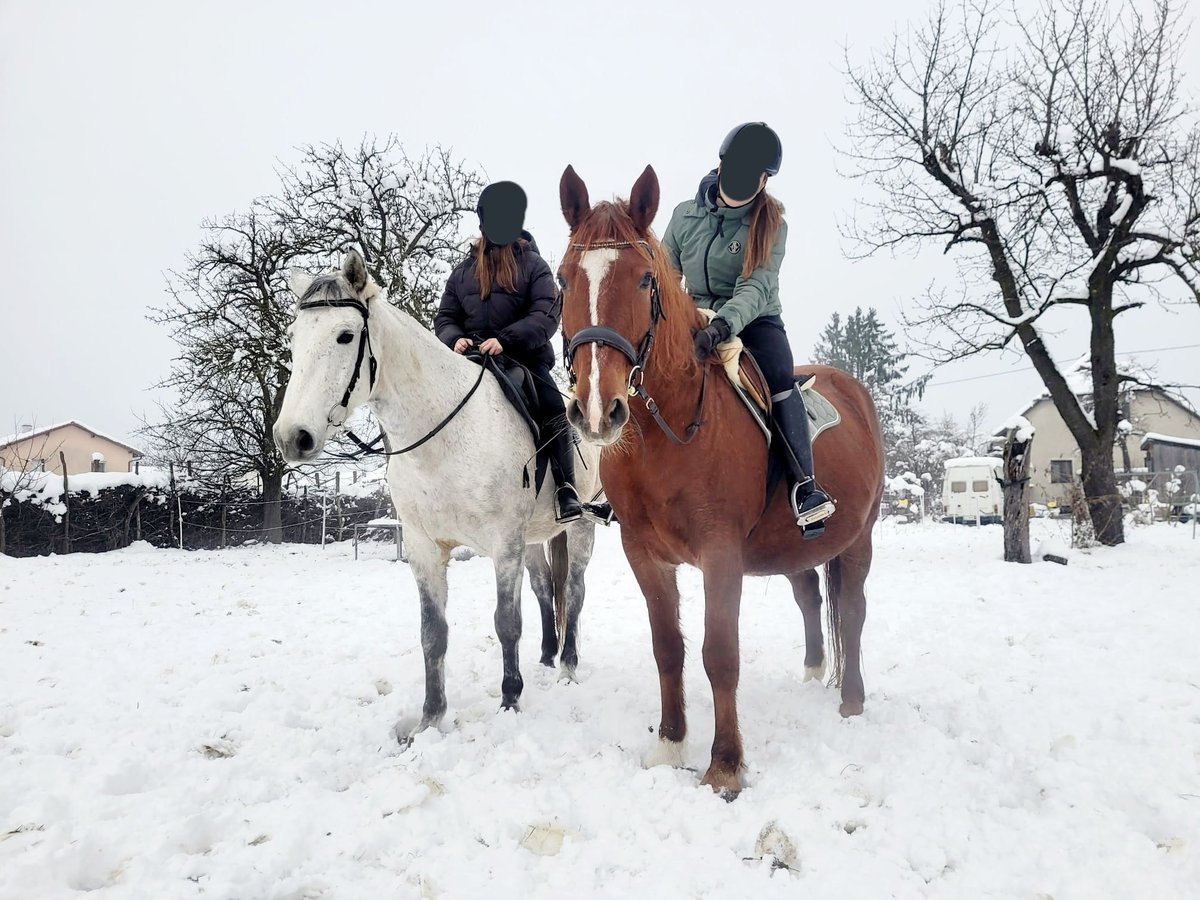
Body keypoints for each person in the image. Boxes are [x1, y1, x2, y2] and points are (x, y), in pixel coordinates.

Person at [662, 122, 836, 538]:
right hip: (693, 316)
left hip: (753, 321)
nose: (743, 182)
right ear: (721, 166)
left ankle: (804, 489)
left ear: (764, 180)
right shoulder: (684, 215)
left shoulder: (771, 224)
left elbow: (756, 285)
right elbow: (665, 274)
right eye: (737, 170)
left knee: (778, 379)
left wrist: (721, 326)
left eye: (754, 176)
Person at [434, 180, 587, 523]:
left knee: (553, 408)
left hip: (524, 358)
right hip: (470, 357)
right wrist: (454, 338)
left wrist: (506, 339)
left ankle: (566, 489)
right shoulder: (462, 272)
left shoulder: (534, 266)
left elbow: (546, 314)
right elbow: (446, 316)